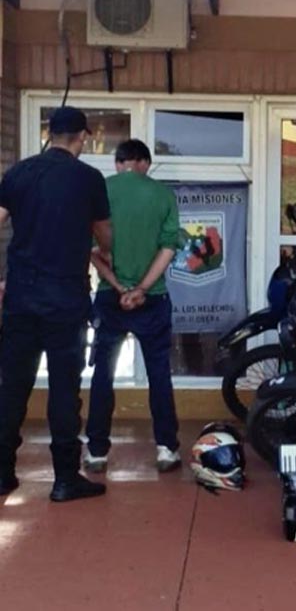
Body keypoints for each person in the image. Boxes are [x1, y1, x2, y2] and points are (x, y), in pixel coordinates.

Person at [0, 106, 111, 502]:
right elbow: (104, 234)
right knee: (65, 389)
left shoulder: (19, 173)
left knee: (12, 386)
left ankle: (2, 473)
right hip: (65, 299)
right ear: (82, 137)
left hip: (21, 297)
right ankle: (65, 479)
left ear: (49, 134)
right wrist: (104, 249)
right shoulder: (88, 178)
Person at [84, 139, 181, 473]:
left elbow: (91, 250)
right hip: (152, 298)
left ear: (118, 163)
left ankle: (96, 451)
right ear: (145, 164)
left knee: (103, 374)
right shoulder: (163, 195)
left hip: (110, 299)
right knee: (159, 374)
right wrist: (140, 289)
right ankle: (166, 448)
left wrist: (119, 286)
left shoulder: (100, 191)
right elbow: (168, 248)